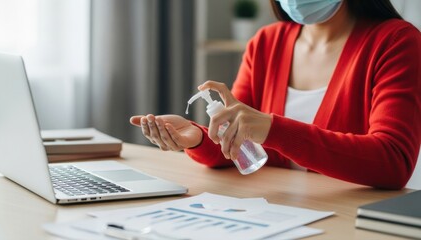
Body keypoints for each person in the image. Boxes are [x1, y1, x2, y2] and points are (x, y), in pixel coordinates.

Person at [130, 0, 421, 189]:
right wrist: (198, 138)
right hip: (277, 212)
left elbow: (393, 162)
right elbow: (241, 151)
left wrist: (273, 129)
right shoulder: (266, 43)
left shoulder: (396, 41)